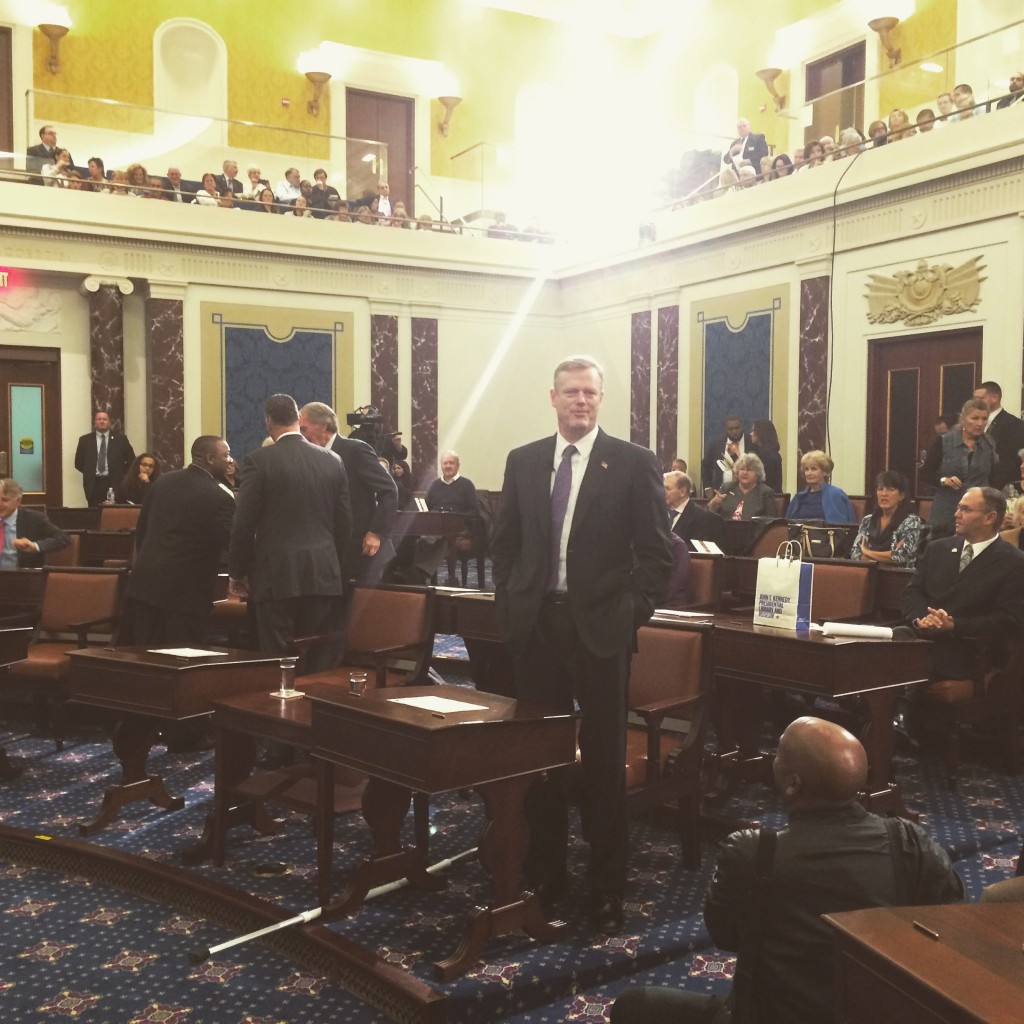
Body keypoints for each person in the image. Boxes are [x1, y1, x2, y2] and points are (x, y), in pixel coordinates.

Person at [611, 717, 963, 1024]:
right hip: (871, 1015)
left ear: (792, 783)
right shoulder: (908, 841)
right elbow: (951, 917)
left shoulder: (753, 851)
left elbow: (726, 935)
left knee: (634, 1006)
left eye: (777, 753)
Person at [491, 356, 672, 936]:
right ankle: (546, 873)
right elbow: (505, 546)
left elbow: (658, 557)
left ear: (601, 398)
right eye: (571, 392)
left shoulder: (633, 463)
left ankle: (606, 886)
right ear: (553, 396)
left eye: (590, 393)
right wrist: (514, 601)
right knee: (540, 760)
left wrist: (625, 616)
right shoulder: (523, 461)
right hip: (538, 628)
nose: (581, 402)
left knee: (601, 762)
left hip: (601, 632)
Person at [228, 395, 351, 672]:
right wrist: (334, 566)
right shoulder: (333, 460)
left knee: (277, 661)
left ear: (268, 421)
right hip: (323, 574)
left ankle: (281, 712)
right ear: (298, 419)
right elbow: (344, 524)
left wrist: (237, 572)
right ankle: (315, 710)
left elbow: (244, 523)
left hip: (276, 576)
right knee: (316, 656)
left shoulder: (259, 461)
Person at [902, 486, 1024, 678]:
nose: (956, 514)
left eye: (966, 509)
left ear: (989, 518)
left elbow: (1007, 620)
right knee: (884, 645)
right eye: (959, 508)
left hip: (967, 647)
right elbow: (913, 592)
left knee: (908, 663)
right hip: (921, 635)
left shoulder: (1014, 562)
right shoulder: (937, 549)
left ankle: (901, 704)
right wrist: (920, 619)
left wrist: (954, 625)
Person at [125, 436, 236, 646]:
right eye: (226, 455)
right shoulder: (219, 496)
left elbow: (142, 532)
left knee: (146, 657)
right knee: (181, 661)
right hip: (185, 594)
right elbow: (232, 543)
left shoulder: (162, 482)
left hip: (145, 585)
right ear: (210, 458)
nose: (230, 460)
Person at [298, 402, 398, 585]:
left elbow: (389, 490)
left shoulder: (355, 450)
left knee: (363, 611)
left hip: (364, 552)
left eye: (304, 429)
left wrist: (376, 532)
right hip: (332, 552)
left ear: (322, 425)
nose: (301, 436)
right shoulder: (311, 457)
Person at [920, 397, 995, 537]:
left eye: (984, 419)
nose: (980, 423)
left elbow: (993, 478)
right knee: (941, 552)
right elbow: (925, 474)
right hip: (946, 511)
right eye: (975, 418)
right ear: (964, 418)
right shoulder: (944, 441)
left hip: (977, 512)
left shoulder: (989, 444)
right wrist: (944, 480)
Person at [850, 470, 922, 566]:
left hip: (898, 577)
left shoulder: (911, 521)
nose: (884, 494)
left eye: (890, 489)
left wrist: (867, 552)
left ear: (901, 496)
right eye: (880, 489)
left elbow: (901, 556)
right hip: (869, 573)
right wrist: (886, 557)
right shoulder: (867, 520)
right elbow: (855, 553)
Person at [0, 478, 70, 569]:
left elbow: (63, 538)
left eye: (4, 500)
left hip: (23, 578)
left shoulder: (34, 519)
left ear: (18, 501)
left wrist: (35, 546)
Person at [74, 410, 136, 506]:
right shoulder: (85, 440)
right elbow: (78, 463)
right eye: (99, 419)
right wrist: (89, 471)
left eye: (104, 419)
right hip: (94, 485)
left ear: (109, 423)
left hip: (115, 483)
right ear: (94, 423)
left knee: (113, 515)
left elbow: (131, 461)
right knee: (94, 514)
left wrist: (121, 474)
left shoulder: (121, 439)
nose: (102, 421)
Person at [973, 380, 1024, 490]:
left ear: (994, 398)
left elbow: (1012, 460)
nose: (975, 403)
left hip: (1000, 488)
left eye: (980, 399)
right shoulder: (973, 424)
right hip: (976, 487)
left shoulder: (1014, 425)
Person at [786, 450, 855, 522]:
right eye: (806, 469)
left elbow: (841, 527)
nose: (809, 473)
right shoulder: (799, 497)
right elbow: (787, 525)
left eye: (813, 469)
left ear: (825, 472)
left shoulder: (836, 495)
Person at [665, 471, 725, 548]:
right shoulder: (659, 513)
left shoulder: (702, 517)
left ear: (682, 492)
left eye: (668, 489)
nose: (663, 491)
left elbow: (698, 551)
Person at [707, 453, 776, 520]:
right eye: (742, 469)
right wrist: (713, 504)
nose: (745, 473)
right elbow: (710, 516)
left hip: (753, 530)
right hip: (726, 529)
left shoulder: (766, 492)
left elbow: (771, 521)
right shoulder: (727, 488)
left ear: (757, 473)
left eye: (749, 470)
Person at [700, 415, 750, 492]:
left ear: (742, 427)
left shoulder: (751, 443)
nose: (734, 431)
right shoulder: (716, 444)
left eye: (737, 428)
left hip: (747, 491)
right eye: (731, 429)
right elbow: (705, 466)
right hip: (721, 492)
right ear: (725, 429)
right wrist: (707, 487)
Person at [750, 418, 782, 491]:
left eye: (753, 431)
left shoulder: (767, 455)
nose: (751, 434)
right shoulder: (766, 452)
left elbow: (765, 480)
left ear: (761, 433)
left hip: (768, 497)